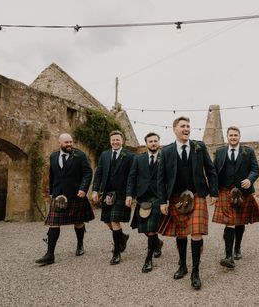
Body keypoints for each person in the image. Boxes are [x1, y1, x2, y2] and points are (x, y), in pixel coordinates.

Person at [157, 116, 218, 290]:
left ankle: (195, 271)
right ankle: (182, 264)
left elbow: (211, 170)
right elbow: (160, 179)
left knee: (196, 231)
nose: (186, 129)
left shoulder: (199, 146)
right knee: (181, 233)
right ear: (174, 129)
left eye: (188, 126)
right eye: (183, 126)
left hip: (197, 194)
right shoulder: (167, 151)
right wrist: (163, 200)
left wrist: (213, 191)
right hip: (176, 197)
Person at [35, 133, 94, 266]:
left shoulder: (80, 156)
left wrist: (83, 189)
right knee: (54, 223)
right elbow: (52, 175)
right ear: (60, 143)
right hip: (58, 195)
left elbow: (87, 172)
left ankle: (80, 245)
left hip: (75, 194)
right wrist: (51, 192)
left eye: (71, 142)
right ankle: (50, 254)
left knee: (78, 222)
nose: (69, 144)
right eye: (66, 142)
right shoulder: (54, 156)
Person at [212, 126, 259, 269]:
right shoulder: (220, 151)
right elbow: (213, 172)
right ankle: (228, 256)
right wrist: (213, 192)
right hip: (225, 190)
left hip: (243, 191)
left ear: (239, 136)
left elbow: (256, 169)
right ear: (227, 136)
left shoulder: (248, 151)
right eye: (231, 135)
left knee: (240, 222)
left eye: (236, 135)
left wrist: (250, 179)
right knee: (229, 221)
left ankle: (237, 248)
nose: (233, 137)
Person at [92, 130, 135, 265]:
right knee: (107, 220)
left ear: (122, 141)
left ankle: (117, 252)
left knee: (115, 221)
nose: (115, 142)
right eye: (113, 140)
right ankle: (122, 237)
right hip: (107, 193)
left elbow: (131, 177)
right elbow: (98, 173)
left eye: (117, 140)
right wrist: (94, 190)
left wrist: (130, 194)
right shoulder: (104, 155)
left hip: (121, 193)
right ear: (110, 141)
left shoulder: (129, 156)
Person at [126, 132, 164, 273]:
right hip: (142, 197)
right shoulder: (138, 159)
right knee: (143, 229)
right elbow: (132, 177)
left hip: (158, 197)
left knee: (151, 229)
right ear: (146, 143)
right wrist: (129, 194)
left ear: (158, 142)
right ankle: (157, 243)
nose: (153, 143)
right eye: (150, 141)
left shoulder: (165, 158)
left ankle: (148, 260)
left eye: (155, 141)